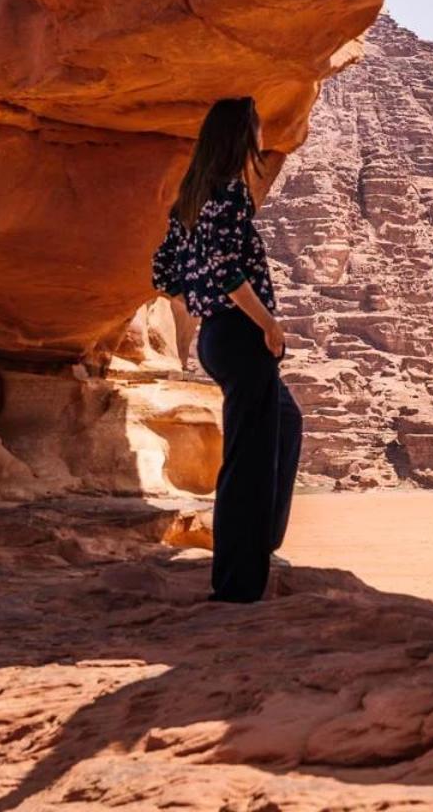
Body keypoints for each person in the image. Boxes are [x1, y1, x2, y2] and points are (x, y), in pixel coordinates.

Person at [150, 97, 302, 603]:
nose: (263, 136)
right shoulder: (232, 195)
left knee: (284, 420)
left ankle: (257, 544)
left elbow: (163, 274)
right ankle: (239, 582)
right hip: (241, 334)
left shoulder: (191, 198)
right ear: (241, 135)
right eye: (256, 128)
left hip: (218, 337)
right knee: (248, 460)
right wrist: (269, 326)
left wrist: (196, 305)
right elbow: (228, 269)